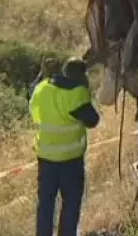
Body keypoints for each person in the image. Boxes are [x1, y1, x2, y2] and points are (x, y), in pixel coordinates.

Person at [30, 57, 100, 236]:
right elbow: (92, 121)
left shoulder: (42, 89)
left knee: (45, 204)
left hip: (45, 159)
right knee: (71, 203)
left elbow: (35, 115)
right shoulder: (77, 94)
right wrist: (86, 91)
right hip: (70, 161)